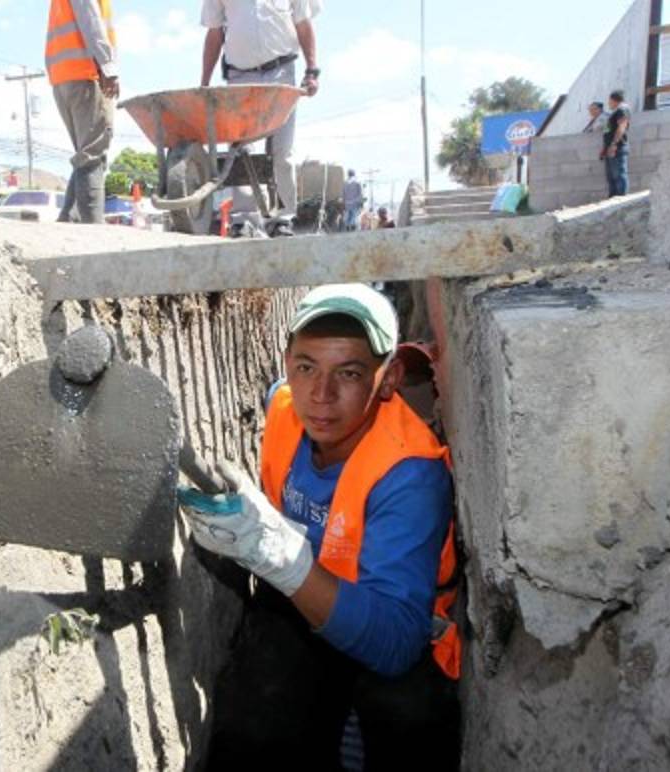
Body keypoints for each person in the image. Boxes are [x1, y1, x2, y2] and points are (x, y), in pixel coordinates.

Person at [179, 284, 461, 769]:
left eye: (349, 373)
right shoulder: (285, 408)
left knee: (410, 715)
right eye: (306, 367)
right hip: (302, 600)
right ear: (287, 362)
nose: (321, 396)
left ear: (389, 378)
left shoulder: (410, 475)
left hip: (389, 619)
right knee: (252, 724)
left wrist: (280, 560)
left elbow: (394, 645)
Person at [200, 0, 321, 238]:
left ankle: (282, 219)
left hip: (281, 72)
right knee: (241, 149)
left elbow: (303, 24)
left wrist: (312, 70)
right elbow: (214, 33)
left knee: (282, 150)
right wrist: (204, 82)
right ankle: (244, 220)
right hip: (239, 76)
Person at [46, 0, 118, 223]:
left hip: (63, 77)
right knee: (92, 156)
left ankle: (67, 220)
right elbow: (91, 19)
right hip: (84, 74)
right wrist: (108, 66)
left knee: (85, 154)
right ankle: (94, 228)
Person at [600, 89, 630, 197]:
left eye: (609, 101)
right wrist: (605, 148)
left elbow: (621, 127)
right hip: (610, 148)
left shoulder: (622, 110)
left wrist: (614, 144)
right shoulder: (615, 112)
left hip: (617, 147)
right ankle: (612, 199)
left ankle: (620, 200)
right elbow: (609, 131)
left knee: (619, 174)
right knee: (611, 176)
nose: (608, 104)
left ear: (613, 100)